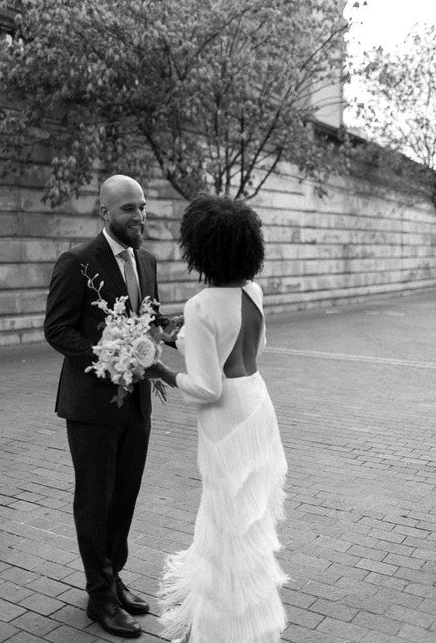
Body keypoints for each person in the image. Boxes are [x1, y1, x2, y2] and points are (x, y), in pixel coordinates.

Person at [147, 194, 289, 643]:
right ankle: (250, 624)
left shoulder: (201, 304)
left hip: (225, 419)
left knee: (225, 525)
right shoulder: (254, 291)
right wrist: (182, 339)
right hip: (257, 405)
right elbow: (247, 350)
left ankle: (222, 631)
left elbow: (207, 387)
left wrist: (160, 369)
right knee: (247, 524)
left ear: (201, 249)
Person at [44, 174, 179, 639]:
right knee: (95, 499)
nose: (139, 216)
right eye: (128, 209)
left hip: (137, 404)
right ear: (104, 212)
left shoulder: (147, 259)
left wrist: (174, 330)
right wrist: (106, 358)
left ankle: (113, 577)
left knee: (124, 495)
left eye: (142, 207)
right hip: (91, 406)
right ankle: (98, 596)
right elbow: (57, 329)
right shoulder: (77, 261)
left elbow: (150, 313)